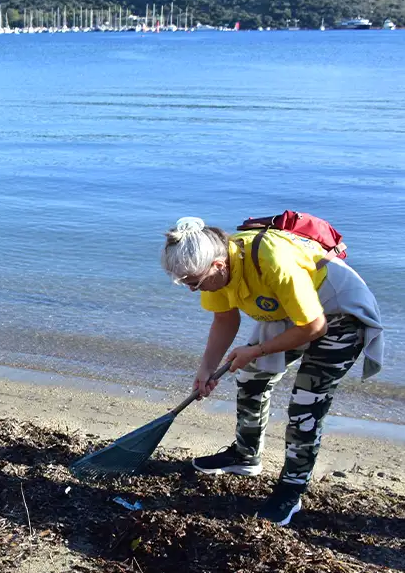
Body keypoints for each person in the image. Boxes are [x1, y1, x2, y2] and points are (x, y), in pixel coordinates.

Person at [161, 216, 382, 526]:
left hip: (338, 314)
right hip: (288, 309)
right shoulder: (213, 265)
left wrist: (257, 350)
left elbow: (314, 327)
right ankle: (245, 456)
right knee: (251, 378)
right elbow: (225, 320)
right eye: (184, 282)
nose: (190, 290)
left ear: (218, 265)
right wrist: (206, 369)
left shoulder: (271, 261)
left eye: (193, 283)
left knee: (306, 404)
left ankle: (291, 489)